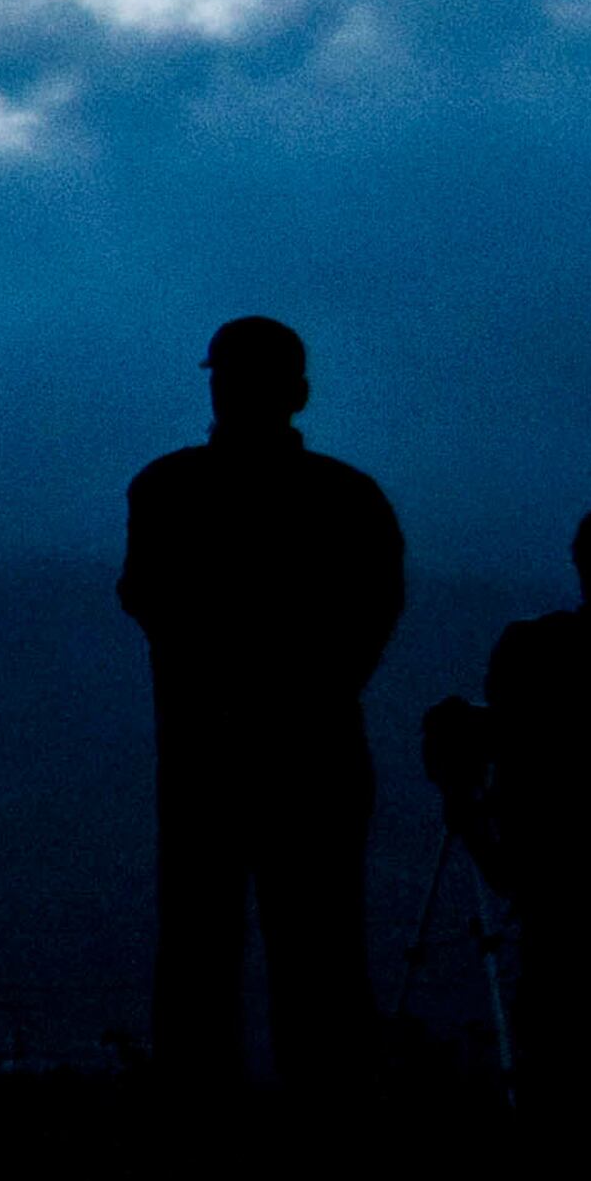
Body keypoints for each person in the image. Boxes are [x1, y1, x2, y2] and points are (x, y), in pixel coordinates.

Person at [119, 316, 404, 1091]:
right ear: (300, 393)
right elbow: (372, 618)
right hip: (310, 759)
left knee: (202, 957)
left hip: (205, 759)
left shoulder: (167, 489)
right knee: (318, 956)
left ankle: (207, 1134)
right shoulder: (349, 499)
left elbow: (147, 600)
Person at [426, 504, 591, 1106]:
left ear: (581, 566)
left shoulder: (535, 653)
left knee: (558, 1057)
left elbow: (505, 856)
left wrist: (464, 806)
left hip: (559, 913)